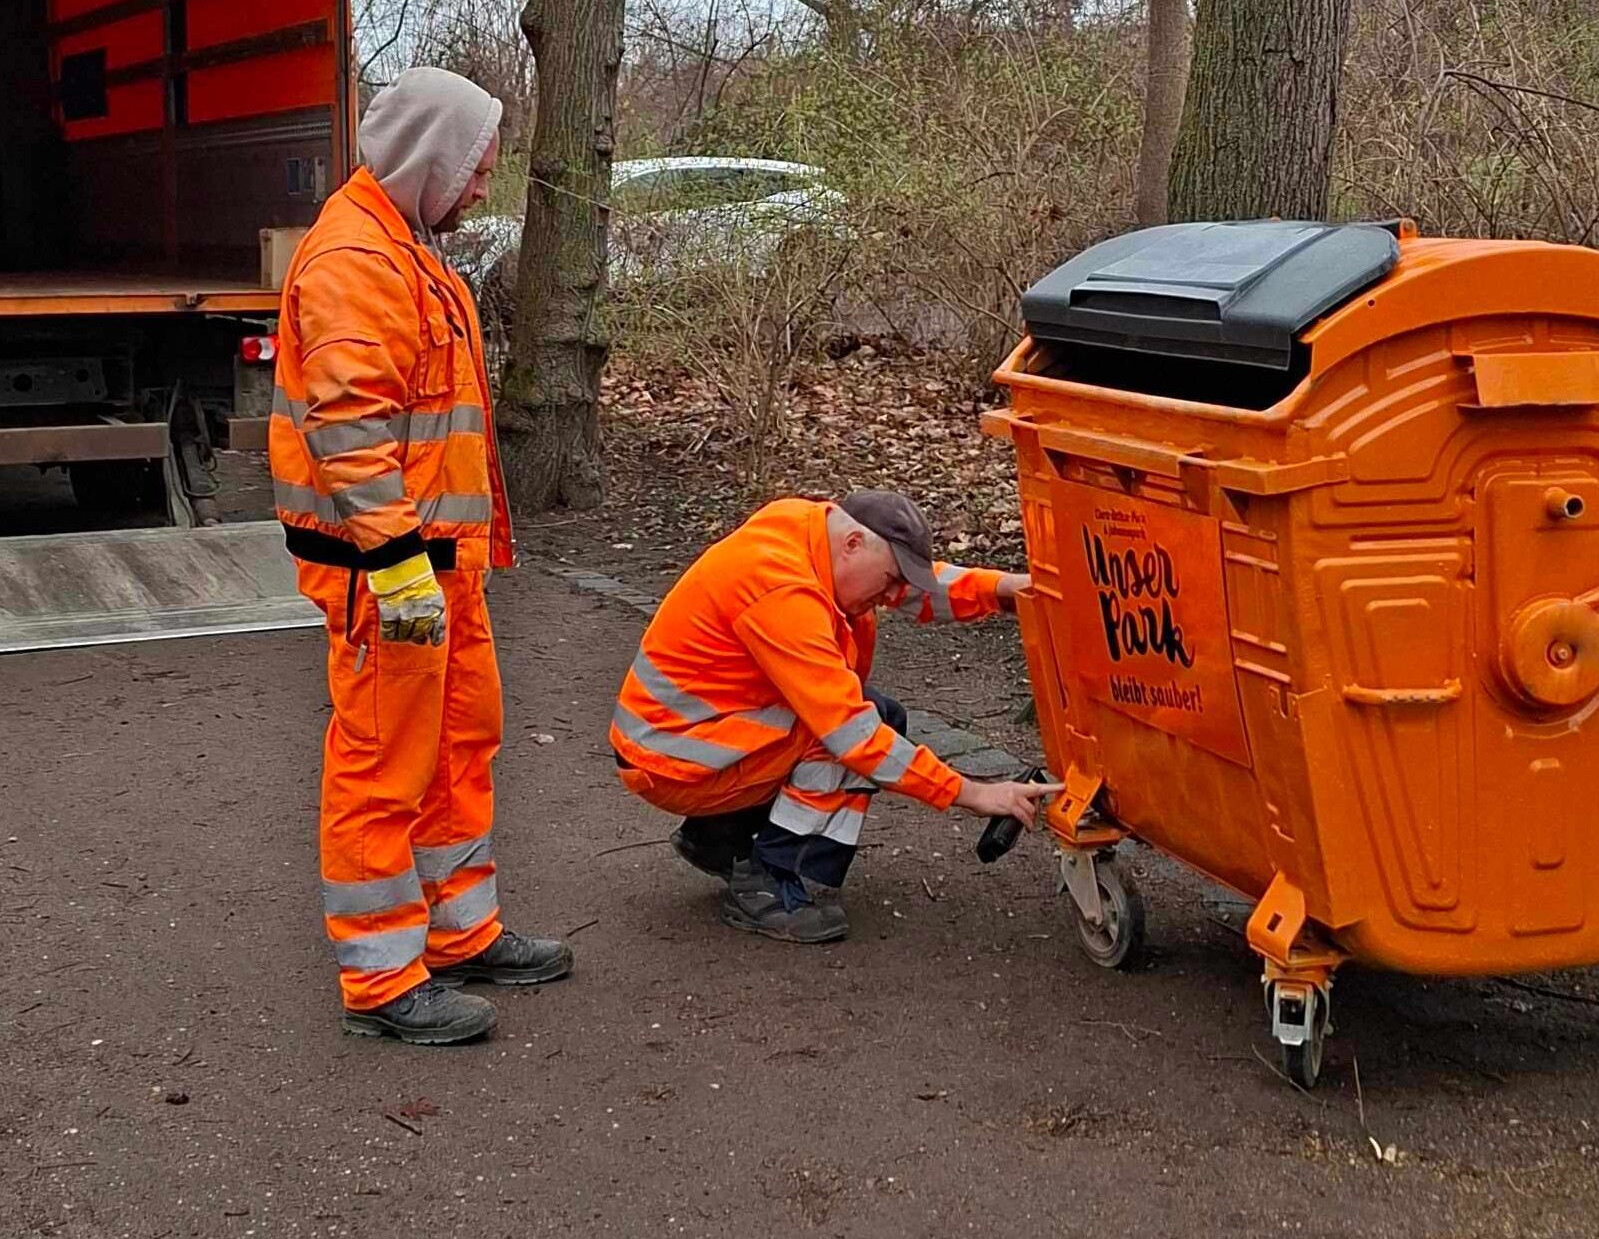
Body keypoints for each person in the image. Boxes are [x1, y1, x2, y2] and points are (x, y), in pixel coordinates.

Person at [271, 66, 571, 1047]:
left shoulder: (406, 244)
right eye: (475, 168)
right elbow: (348, 429)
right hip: (389, 572)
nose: (484, 186)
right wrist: (401, 570)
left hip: (438, 563)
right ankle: (384, 978)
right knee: (383, 762)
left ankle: (457, 931)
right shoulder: (356, 259)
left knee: (458, 744)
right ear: (428, 161)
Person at [610, 489, 1057, 942]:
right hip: (676, 763)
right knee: (858, 730)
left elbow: (914, 587)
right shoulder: (784, 591)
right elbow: (851, 734)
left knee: (865, 715)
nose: (891, 596)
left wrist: (1002, 591)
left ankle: (718, 839)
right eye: (886, 581)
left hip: (682, 742)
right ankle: (773, 884)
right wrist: (972, 793)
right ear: (853, 544)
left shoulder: (811, 531)